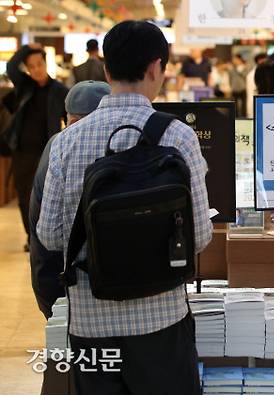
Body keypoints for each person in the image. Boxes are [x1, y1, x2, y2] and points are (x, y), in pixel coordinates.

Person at [37, 20, 212, 394]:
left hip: (90, 324)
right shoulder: (178, 135)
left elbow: (49, 235)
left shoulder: (66, 141)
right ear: (155, 68)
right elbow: (199, 235)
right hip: (161, 320)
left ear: (106, 69)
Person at [29, 80, 111, 321]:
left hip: (59, 281)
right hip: (77, 282)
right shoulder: (64, 147)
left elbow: (43, 234)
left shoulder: (57, 144)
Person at [6, 43, 68, 251]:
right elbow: (12, 67)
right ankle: (31, 236)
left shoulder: (59, 91)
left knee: (45, 194)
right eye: (31, 66)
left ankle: (43, 235)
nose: (36, 69)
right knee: (24, 196)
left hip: (47, 151)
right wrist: (26, 49)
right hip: (21, 151)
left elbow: (69, 120)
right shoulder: (24, 86)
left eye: (39, 64)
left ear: (45, 63)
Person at [246, 52, 268, 117]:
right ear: (259, 61)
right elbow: (251, 95)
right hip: (256, 106)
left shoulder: (266, 72)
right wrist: (250, 112)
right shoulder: (252, 75)